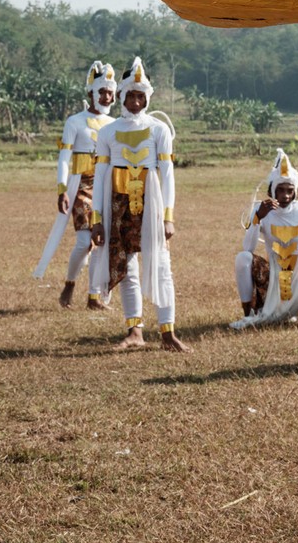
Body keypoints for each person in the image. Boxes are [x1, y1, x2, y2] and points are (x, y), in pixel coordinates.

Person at [90, 57, 190, 352]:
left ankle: (167, 332)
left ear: (147, 97)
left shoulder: (159, 130)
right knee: (126, 266)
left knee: (160, 265)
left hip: (152, 204)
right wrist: (97, 217)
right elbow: (99, 177)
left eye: (140, 95)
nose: (135, 101)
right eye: (130, 95)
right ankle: (134, 331)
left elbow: (168, 175)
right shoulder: (107, 132)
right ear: (121, 96)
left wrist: (168, 217)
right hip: (118, 204)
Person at [32, 61, 117, 310]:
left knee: (101, 242)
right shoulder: (75, 122)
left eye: (110, 93)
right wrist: (61, 189)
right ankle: (70, 282)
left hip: (106, 186)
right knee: (84, 242)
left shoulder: (114, 124)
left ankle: (93, 297)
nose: (107, 97)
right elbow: (64, 158)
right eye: (102, 92)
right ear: (91, 92)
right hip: (80, 186)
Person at [231, 149, 298, 329]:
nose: (285, 196)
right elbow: (247, 248)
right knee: (242, 258)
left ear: (295, 191)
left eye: (290, 190)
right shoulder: (260, 210)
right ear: (271, 190)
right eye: (280, 190)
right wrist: (258, 218)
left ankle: (294, 306)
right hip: (273, 277)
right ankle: (250, 313)